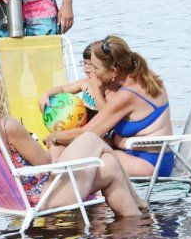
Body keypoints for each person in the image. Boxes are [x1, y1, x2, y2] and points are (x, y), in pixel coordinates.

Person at [0, 65, 144, 217]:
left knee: (109, 166)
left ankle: (136, 225)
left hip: (4, 199)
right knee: (91, 138)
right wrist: (54, 144)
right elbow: (47, 164)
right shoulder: (7, 126)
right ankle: (139, 207)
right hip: (41, 199)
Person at [41, 36, 174, 178]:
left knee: (79, 154)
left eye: (96, 68)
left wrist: (53, 136)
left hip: (149, 163)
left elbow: (88, 134)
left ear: (114, 71)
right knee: (70, 147)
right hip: (145, 156)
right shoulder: (146, 78)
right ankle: (53, 178)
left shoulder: (127, 95)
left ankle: (51, 182)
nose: (94, 72)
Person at [39, 43, 106, 116]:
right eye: (85, 63)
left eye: (90, 64)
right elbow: (63, 89)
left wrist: (96, 86)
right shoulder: (85, 83)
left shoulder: (108, 89)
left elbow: (106, 113)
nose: (86, 67)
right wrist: (46, 94)